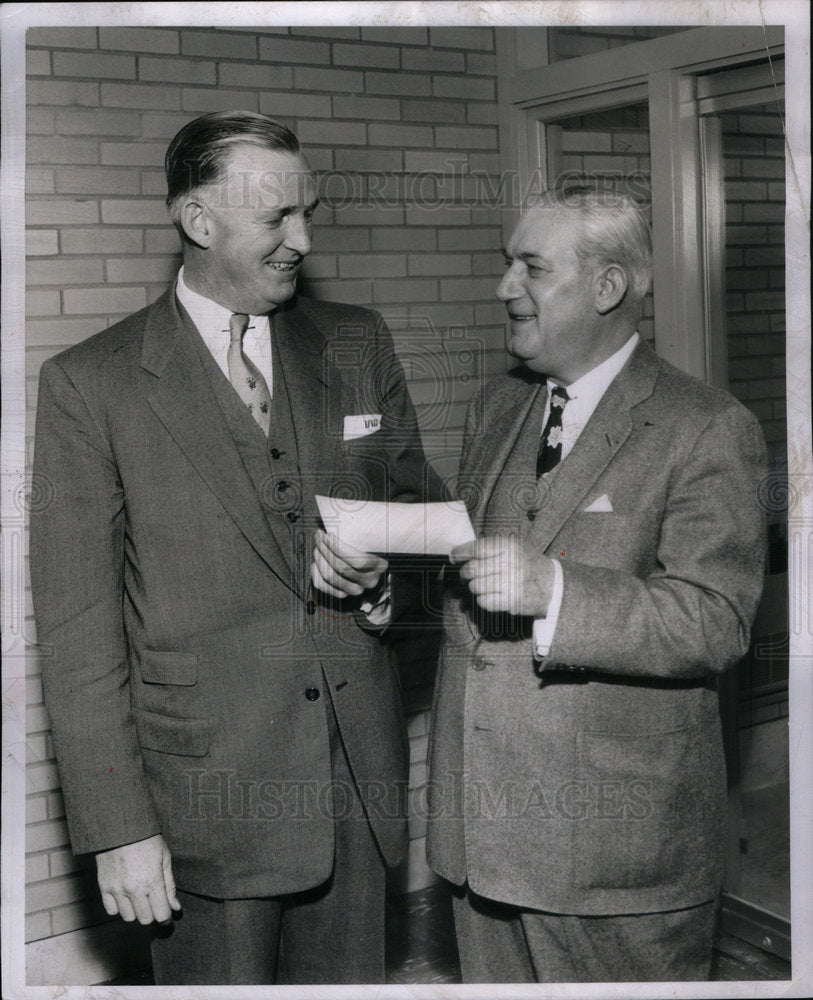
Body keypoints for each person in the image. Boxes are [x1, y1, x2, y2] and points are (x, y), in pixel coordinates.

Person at [29, 110, 433, 985]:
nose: (303, 238)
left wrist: (385, 587)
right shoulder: (88, 385)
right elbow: (76, 634)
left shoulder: (358, 344)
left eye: (307, 211)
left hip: (354, 786)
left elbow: (423, 516)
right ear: (198, 220)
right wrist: (119, 829)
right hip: (202, 804)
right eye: (275, 218)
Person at [426, 186, 767, 983]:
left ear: (607, 288)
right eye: (507, 264)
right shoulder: (499, 404)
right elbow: (471, 580)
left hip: (614, 863)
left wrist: (557, 593)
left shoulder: (706, 427)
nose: (504, 287)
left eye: (531, 268)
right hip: (480, 839)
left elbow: (715, 621)